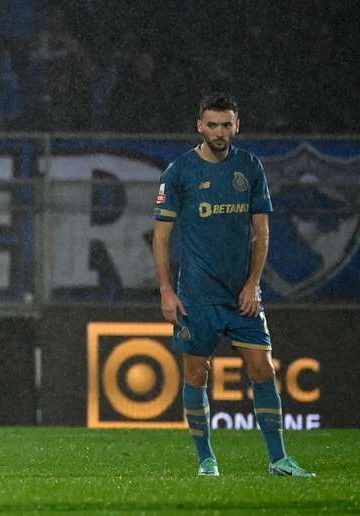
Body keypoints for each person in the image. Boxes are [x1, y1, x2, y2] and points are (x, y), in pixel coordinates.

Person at [152, 92, 314, 478]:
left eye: (226, 125)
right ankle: (206, 459)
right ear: (200, 126)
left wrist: (253, 284)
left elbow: (262, 231)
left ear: (237, 126)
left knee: (263, 368)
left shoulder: (250, 167)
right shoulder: (179, 171)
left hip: (241, 294)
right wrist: (166, 290)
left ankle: (278, 460)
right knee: (196, 373)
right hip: (196, 295)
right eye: (213, 124)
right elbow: (160, 237)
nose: (220, 132)